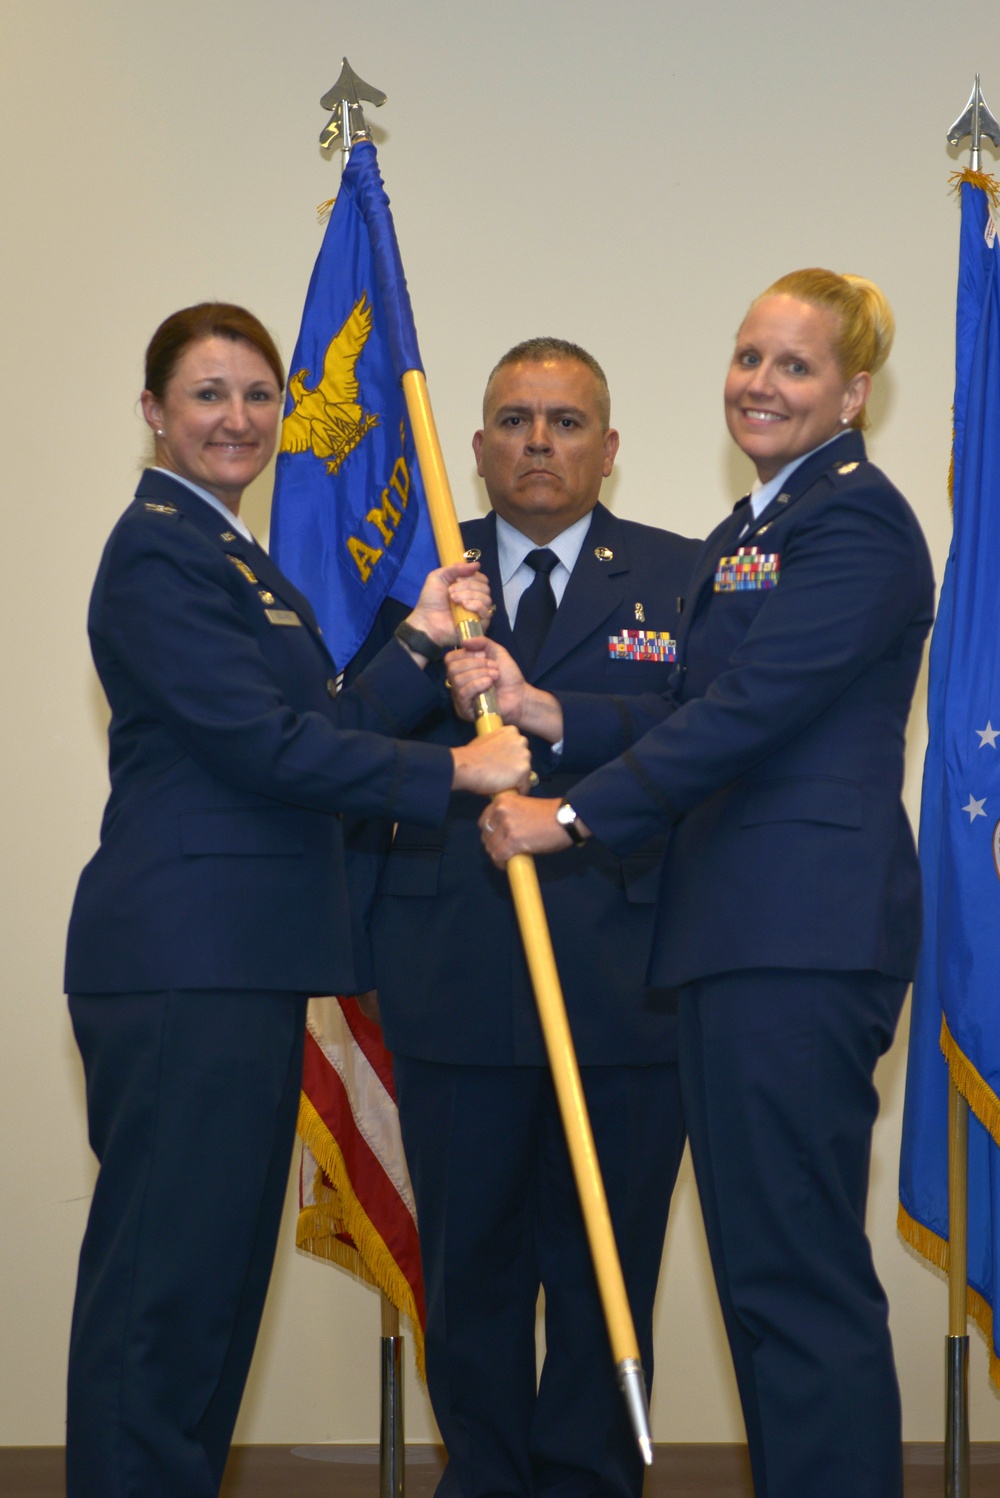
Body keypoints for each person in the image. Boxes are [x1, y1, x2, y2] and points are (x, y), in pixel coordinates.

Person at [457, 275, 934, 1498]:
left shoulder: (856, 526)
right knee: (758, 1281)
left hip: (798, 935)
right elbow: (681, 705)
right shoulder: (751, 532)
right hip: (730, 938)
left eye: (794, 367)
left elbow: (748, 713)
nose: (759, 385)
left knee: (795, 1278)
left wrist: (568, 814)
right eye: (746, 358)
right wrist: (545, 707)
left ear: (854, 393)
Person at [63, 302, 531, 1498]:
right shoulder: (158, 548)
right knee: (163, 1300)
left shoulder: (232, 555)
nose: (238, 418)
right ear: (155, 414)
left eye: (259, 394)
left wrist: (420, 641)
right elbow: (267, 749)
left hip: (242, 963)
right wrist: (456, 771)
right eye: (208, 394)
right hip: (184, 960)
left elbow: (316, 723)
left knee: (212, 1291)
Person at [349, 339, 699, 1498]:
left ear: (609, 449)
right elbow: (336, 735)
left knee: (604, 1262)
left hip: (621, 980)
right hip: (450, 973)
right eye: (512, 418)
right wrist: (426, 650)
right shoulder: (412, 573)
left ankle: (592, 1479)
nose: (537, 441)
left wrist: (553, 726)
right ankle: (485, 1480)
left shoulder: (678, 574)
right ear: (477, 444)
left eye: (564, 421)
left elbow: (705, 741)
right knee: (473, 1270)